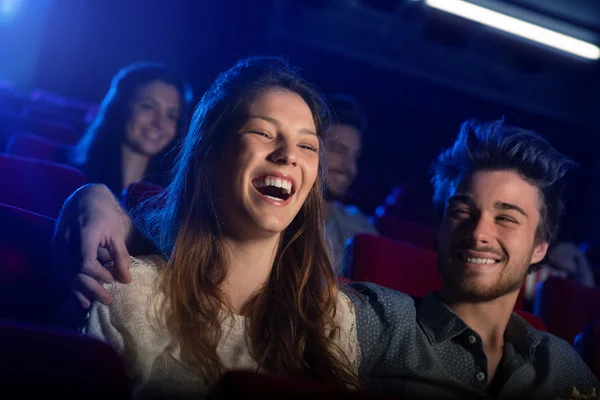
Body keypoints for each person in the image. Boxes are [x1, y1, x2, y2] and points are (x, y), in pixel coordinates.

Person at [56, 115, 598, 396]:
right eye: (462, 210)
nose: (480, 232)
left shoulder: (565, 366)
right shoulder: (372, 319)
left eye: (507, 217)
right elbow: (237, 265)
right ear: (437, 227)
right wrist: (98, 202)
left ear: (541, 248)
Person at [60, 57, 360, 397]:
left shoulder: (332, 319)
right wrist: (91, 195)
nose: (288, 155)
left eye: (307, 145)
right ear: (210, 153)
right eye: (263, 132)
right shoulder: (128, 294)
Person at [69, 62, 193, 195]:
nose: (159, 123)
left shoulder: (174, 197)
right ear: (120, 107)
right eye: (148, 106)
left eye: (171, 116)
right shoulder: (72, 177)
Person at [323, 95, 378, 271]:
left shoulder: (359, 227)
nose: (351, 168)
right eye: (339, 151)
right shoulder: (280, 218)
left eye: (355, 157)